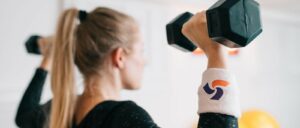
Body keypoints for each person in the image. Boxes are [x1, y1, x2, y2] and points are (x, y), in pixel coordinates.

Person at [15, 7, 240, 128]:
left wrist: (48, 58)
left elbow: (23, 115)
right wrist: (216, 54)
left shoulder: (60, 109)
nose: (145, 60)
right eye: (141, 50)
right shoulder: (122, 117)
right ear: (120, 57)